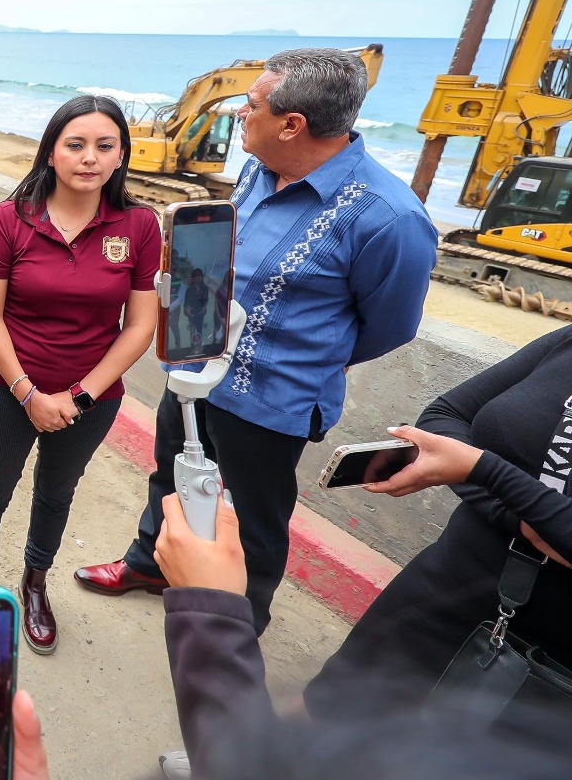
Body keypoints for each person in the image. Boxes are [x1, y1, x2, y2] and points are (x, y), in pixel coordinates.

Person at [77, 48, 438, 634]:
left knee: (253, 521)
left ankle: (234, 632)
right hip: (197, 365)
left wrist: (316, 356)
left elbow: (392, 325)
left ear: (292, 124)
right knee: (171, 476)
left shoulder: (390, 218)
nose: (242, 113)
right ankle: (151, 565)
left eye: (253, 105)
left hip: (273, 400)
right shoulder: (257, 166)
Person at [155, 488, 569, 780]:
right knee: (333, 700)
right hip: (452, 583)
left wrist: (210, 610)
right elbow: (447, 419)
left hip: (542, 651)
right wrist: (519, 499)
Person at [0, 95, 160, 653]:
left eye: (105, 146)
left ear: (122, 155)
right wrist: (28, 392)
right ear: (51, 151)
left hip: (90, 399)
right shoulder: (11, 219)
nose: (89, 158)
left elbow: (139, 325)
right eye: (76, 145)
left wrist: (78, 396)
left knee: (56, 493)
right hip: (5, 387)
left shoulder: (139, 226)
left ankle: (34, 584)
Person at [303, 326, 572, 732]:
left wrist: (482, 469)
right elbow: (445, 416)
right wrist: (521, 516)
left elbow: (465, 459)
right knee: (323, 723)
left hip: (550, 660)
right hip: (439, 590)